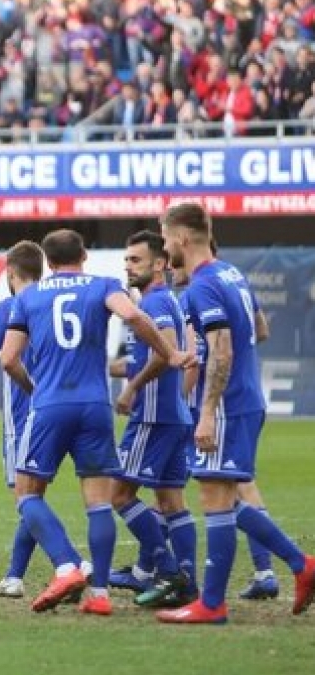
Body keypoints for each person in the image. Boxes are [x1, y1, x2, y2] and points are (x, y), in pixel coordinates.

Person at [0, 229, 194, 616]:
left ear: (48, 262)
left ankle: (67, 566)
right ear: (84, 255)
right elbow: (134, 315)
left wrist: (35, 388)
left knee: (28, 494)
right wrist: (169, 352)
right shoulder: (103, 285)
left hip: (51, 404)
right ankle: (100, 595)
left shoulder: (28, 297)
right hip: (94, 405)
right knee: (99, 502)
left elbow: (7, 359)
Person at [156, 203, 315, 624]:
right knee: (221, 497)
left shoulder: (202, 285)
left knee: (213, 498)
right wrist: (207, 354)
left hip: (225, 405)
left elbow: (223, 347)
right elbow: (258, 330)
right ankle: (300, 565)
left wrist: (207, 411)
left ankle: (212, 604)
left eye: (166, 237)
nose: (165, 246)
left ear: (183, 239)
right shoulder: (233, 274)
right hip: (247, 397)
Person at [0, 240, 91, 599]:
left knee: (25, 498)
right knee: (33, 497)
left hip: (27, 417)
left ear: (10, 272)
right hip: (75, 406)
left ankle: (72, 562)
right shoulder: (55, 300)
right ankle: (14, 576)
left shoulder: (11, 306)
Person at [105, 231, 197, 609]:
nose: (128, 266)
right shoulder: (164, 300)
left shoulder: (156, 303)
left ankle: (168, 568)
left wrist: (131, 390)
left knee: (119, 494)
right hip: (174, 414)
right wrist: (104, 369)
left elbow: (166, 353)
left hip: (153, 415)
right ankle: (187, 583)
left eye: (136, 260)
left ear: (159, 264)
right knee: (171, 500)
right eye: (126, 260)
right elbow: (146, 359)